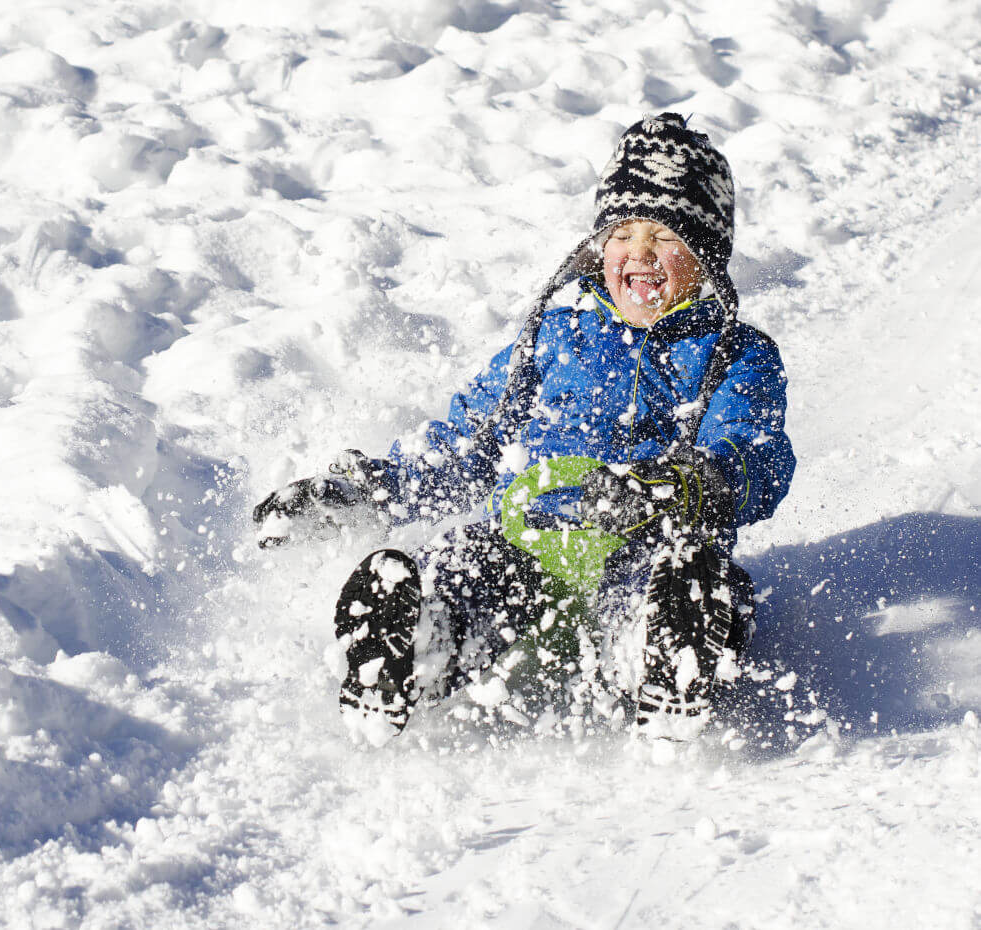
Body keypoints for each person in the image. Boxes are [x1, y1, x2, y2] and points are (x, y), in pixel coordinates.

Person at [253, 113, 795, 741]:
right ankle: (416, 641)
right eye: (622, 232)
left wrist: (691, 481)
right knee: (463, 562)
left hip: (644, 543)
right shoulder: (553, 340)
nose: (639, 252)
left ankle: (663, 653)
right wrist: (367, 488)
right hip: (528, 541)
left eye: (664, 235)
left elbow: (756, 450)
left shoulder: (735, 355)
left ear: (706, 255)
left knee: (693, 577)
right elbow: (468, 444)